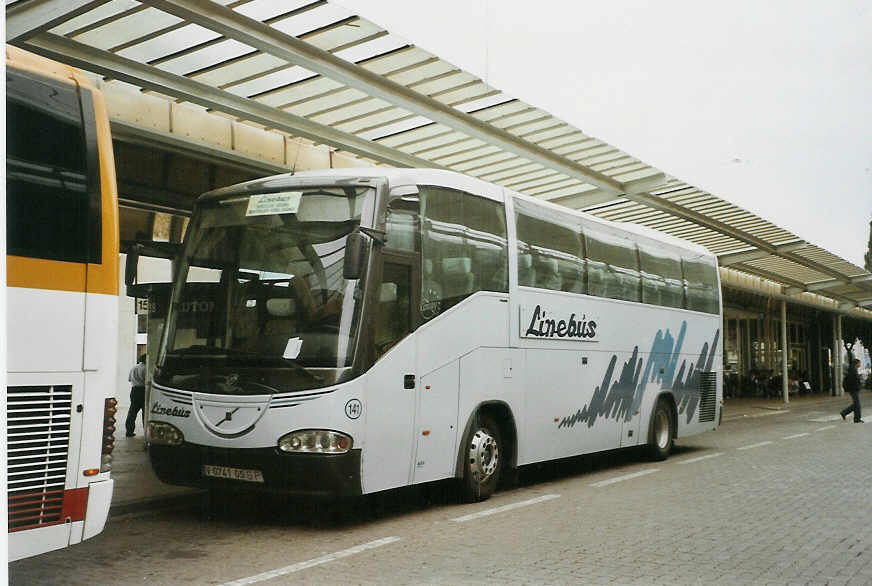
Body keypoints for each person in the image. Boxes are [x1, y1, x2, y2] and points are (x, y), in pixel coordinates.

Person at [126, 355, 146, 437]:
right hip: (143, 390)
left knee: (132, 412)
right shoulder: (146, 368)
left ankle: (129, 431)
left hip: (134, 390)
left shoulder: (133, 368)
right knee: (145, 413)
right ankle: (146, 432)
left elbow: (129, 379)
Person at [840, 358, 863, 423]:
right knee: (857, 405)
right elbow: (853, 380)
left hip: (854, 389)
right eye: (859, 363)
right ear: (856, 364)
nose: (860, 364)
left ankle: (844, 412)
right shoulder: (852, 371)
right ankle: (857, 419)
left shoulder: (853, 370)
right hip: (853, 389)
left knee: (856, 404)